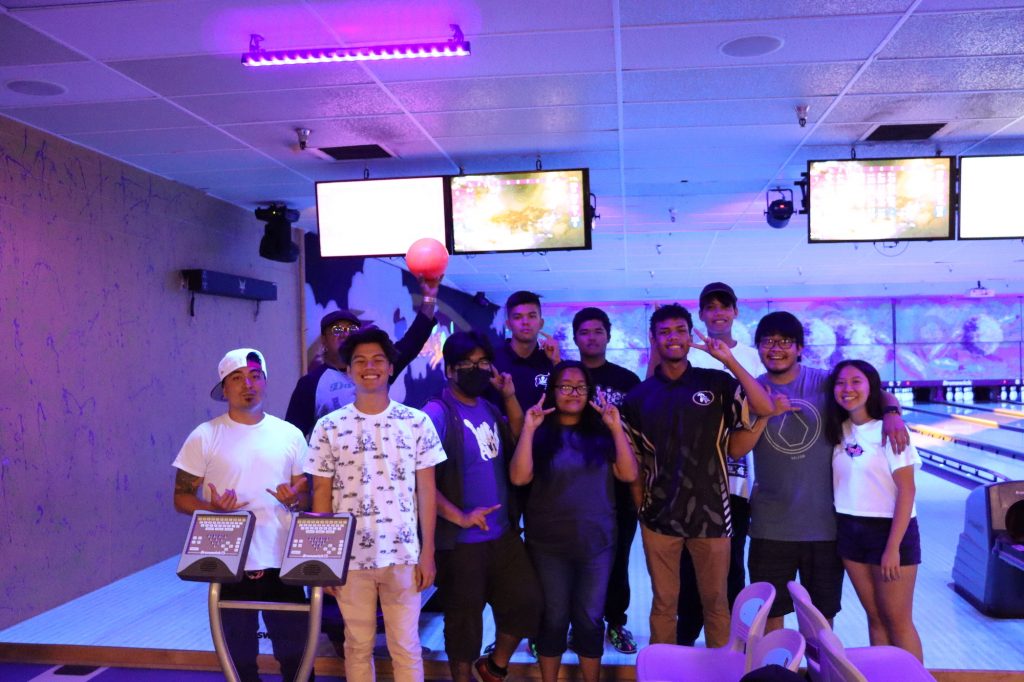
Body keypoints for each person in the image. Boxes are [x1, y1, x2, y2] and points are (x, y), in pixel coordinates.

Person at [727, 311, 910, 634]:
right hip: (770, 527)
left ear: (800, 348)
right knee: (769, 618)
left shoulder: (825, 382)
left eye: (785, 341)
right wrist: (767, 415)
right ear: (757, 348)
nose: (776, 348)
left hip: (825, 528)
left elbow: (870, 389)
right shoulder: (749, 391)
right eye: (768, 341)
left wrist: (893, 411)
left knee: (820, 621)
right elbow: (735, 448)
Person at [621, 304, 772, 648]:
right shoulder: (639, 397)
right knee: (664, 606)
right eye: (664, 332)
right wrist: (643, 510)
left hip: (713, 515)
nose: (673, 338)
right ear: (654, 339)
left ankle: (720, 672)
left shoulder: (717, 383)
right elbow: (635, 464)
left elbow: (763, 408)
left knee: (717, 605)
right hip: (659, 519)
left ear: (690, 335)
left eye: (679, 330)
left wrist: (729, 360)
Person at [307, 328, 446, 682]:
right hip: (349, 559)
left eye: (378, 360)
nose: (369, 367)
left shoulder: (417, 423)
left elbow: (426, 492)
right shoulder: (328, 427)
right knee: (357, 644)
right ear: (349, 370)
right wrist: (324, 563)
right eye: (360, 361)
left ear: (389, 366)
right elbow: (320, 497)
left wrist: (427, 551)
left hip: (403, 554)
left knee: (406, 645)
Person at [172, 349, 309, 682]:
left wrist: (295, 500)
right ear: (224, 388)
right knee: (238, 657)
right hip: (227, 558)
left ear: (265, 382)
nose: (248, 384)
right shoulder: (204, 435)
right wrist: (212, 508)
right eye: (237, 378)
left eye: (255, 376)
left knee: (296, 654)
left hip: (282, 556)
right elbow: (180, 498)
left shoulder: (289, 434)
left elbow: (305, 495)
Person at [422, 331, 542, 682]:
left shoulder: (488, 407)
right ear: (449, 370)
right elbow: (419, 479)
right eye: (467, 365)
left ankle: (493, 667)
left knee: (526, 604)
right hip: (460, 545)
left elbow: (520, 438)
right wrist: (459, 516)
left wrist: (509, 396)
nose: (476, 370)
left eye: (482, 363)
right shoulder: (436, 413)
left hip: (502, 536)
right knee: (464, 627)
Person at [510, 361, 638, 682]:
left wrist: (615, 427)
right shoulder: (539, 434)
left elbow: (629, 473)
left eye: (580, 387)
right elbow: (519, 477)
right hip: (547, 545)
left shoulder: (601, 433)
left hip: (597, 544)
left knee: (590, 619)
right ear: (553, 390)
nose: (573, 393)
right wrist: (528, 429)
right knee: (553, 618)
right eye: (565, 386)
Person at [677, 282, 764, 645]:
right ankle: (687, 637)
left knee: (732, 563)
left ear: (735, 311)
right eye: (709, 308)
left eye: (723, 306)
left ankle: (734, 641)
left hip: (740, 482)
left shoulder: (756, 357)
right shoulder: (688, 355)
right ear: (700, 314)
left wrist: (888, 406)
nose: (717, 313)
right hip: (693, 483)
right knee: (688, 564)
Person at [825, 359, 923, 661]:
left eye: (856, 381)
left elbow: (908, 490)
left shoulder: (890, 431)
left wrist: (893, 547)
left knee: (898, 620)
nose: (847, 388)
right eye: (841, 383)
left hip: (890, 531)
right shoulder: (837, 430)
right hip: (850, 530)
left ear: (871, 387)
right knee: (876, 618)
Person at [285, 278, 439, 439]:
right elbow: (293, 438)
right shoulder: (310, 383)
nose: (345, 333)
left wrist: (429, 298)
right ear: (324, 340)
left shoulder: (375, 371)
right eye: (337, 329)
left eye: (351, 329)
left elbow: (413, 341)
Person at [571, 307, 642, 654]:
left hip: (618, 484)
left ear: (609, 336)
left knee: (618, 558)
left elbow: (640, 435)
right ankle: (579, 625)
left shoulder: (628, 380)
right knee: (577, 559)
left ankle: (616, 623)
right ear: (575, 338)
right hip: (574, 487)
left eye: (598, 331)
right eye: (585, 332)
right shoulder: (567, 379)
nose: (592, 337)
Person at [490, 290, 560, 414]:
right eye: (517, 317)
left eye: (532, 316)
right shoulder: (493, 360)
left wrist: (557, 362)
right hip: (502, 432)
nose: (525, 322)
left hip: (546, 432)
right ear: (508, 324)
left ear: (541, 323)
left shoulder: (552, 361)